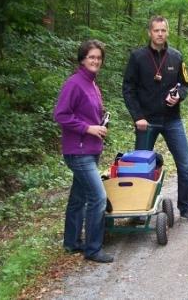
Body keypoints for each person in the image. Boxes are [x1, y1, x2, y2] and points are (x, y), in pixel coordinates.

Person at [122, 16, 188, 224]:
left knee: (184, 164)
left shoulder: (176, 57)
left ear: (167, 32)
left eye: (163, 30)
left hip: (172, 120)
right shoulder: (137, 57)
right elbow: (128, 89)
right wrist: (137, 116)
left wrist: (179, 96)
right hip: (146, 121)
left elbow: (186, 85)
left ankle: (186, 208)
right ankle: (138, 210)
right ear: (149, 32)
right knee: (141, 167)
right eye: (156, 30)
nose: (160, 34)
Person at [53, 40, 113, 263]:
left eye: (98, 58)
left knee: (78, 198)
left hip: (91, 149)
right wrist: (88, 128)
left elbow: (87, 114)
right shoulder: (74, 83)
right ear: (82, 59)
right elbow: (61, 115)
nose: (95, 61)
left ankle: (71, 242)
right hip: (77, 151)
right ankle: (93, 249)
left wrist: (100, 124)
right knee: (98, 197)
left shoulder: (93, 84)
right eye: (91, 57)